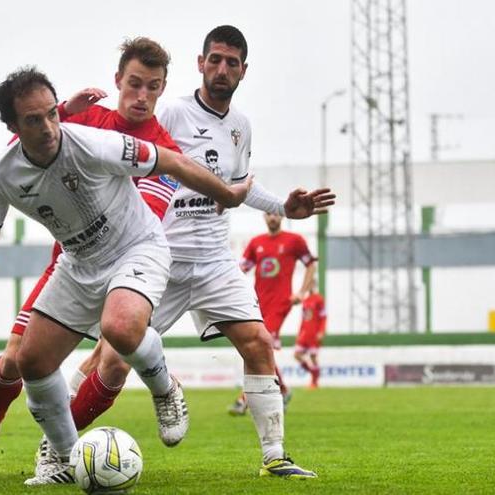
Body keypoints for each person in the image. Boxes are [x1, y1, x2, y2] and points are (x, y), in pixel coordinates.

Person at [0, 66, 250, 486]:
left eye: (52, 113)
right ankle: (66, 459)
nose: (48, 127)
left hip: (136, 246)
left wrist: (226, 194)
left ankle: (164, 388)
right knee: (30, 360)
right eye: (33, 119)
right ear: (12, 126)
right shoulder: (0, 176)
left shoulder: (95, 144)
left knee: (119, 327)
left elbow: (170, 160)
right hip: (78, 262)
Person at [46, 25, 332, 479]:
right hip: (164, 257)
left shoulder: (240, 126)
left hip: (216, 260)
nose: (222, 69)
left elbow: (236, 187)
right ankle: (57, 449)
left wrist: (284, 208)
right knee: (112, 357)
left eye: (231, 62)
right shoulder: (172, 114)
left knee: (258, 343)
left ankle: (275, 456)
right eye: (214, 59)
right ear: (200, 63)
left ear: (243, 71)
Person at [229, 210, 317, 413]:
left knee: (259, 345)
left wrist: (302, 292)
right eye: (269, 214)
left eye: (276, 214)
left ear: (282, 217)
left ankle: (245, 399)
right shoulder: (256, 243)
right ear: (264, 217)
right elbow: (241, 270)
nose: (273, 217)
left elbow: (311, 264)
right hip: (257, 303)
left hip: (280, 303)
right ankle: (283, 390)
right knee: (258, 347)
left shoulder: (294, 240)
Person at [294, 284, 326, 388]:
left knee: (313, 357)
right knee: (297, 355)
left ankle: (314, 382)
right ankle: (314, 373)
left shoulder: (319, 299)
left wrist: (321, 331)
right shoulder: (306, 300)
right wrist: (299, 333)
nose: (310, 287)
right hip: (304, 333)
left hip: (314, 333)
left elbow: (323, 317)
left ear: (315, 285)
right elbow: (303, 319)